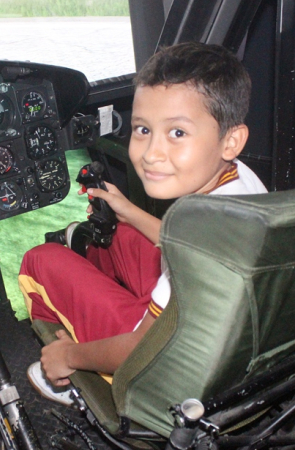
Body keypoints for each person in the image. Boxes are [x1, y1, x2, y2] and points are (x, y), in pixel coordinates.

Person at [18, 42, 268, 404]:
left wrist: (69, 356)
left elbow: (141, 348)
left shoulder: (200, 237)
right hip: (222, 337)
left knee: (40, 260)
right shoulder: (239, 181)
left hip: (164, 365)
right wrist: (128, 210)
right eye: (143, 130)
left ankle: (77, 379)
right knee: (122, 232)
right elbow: (182, 242)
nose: (151, 153)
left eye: (177, 133)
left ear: (231, 140)